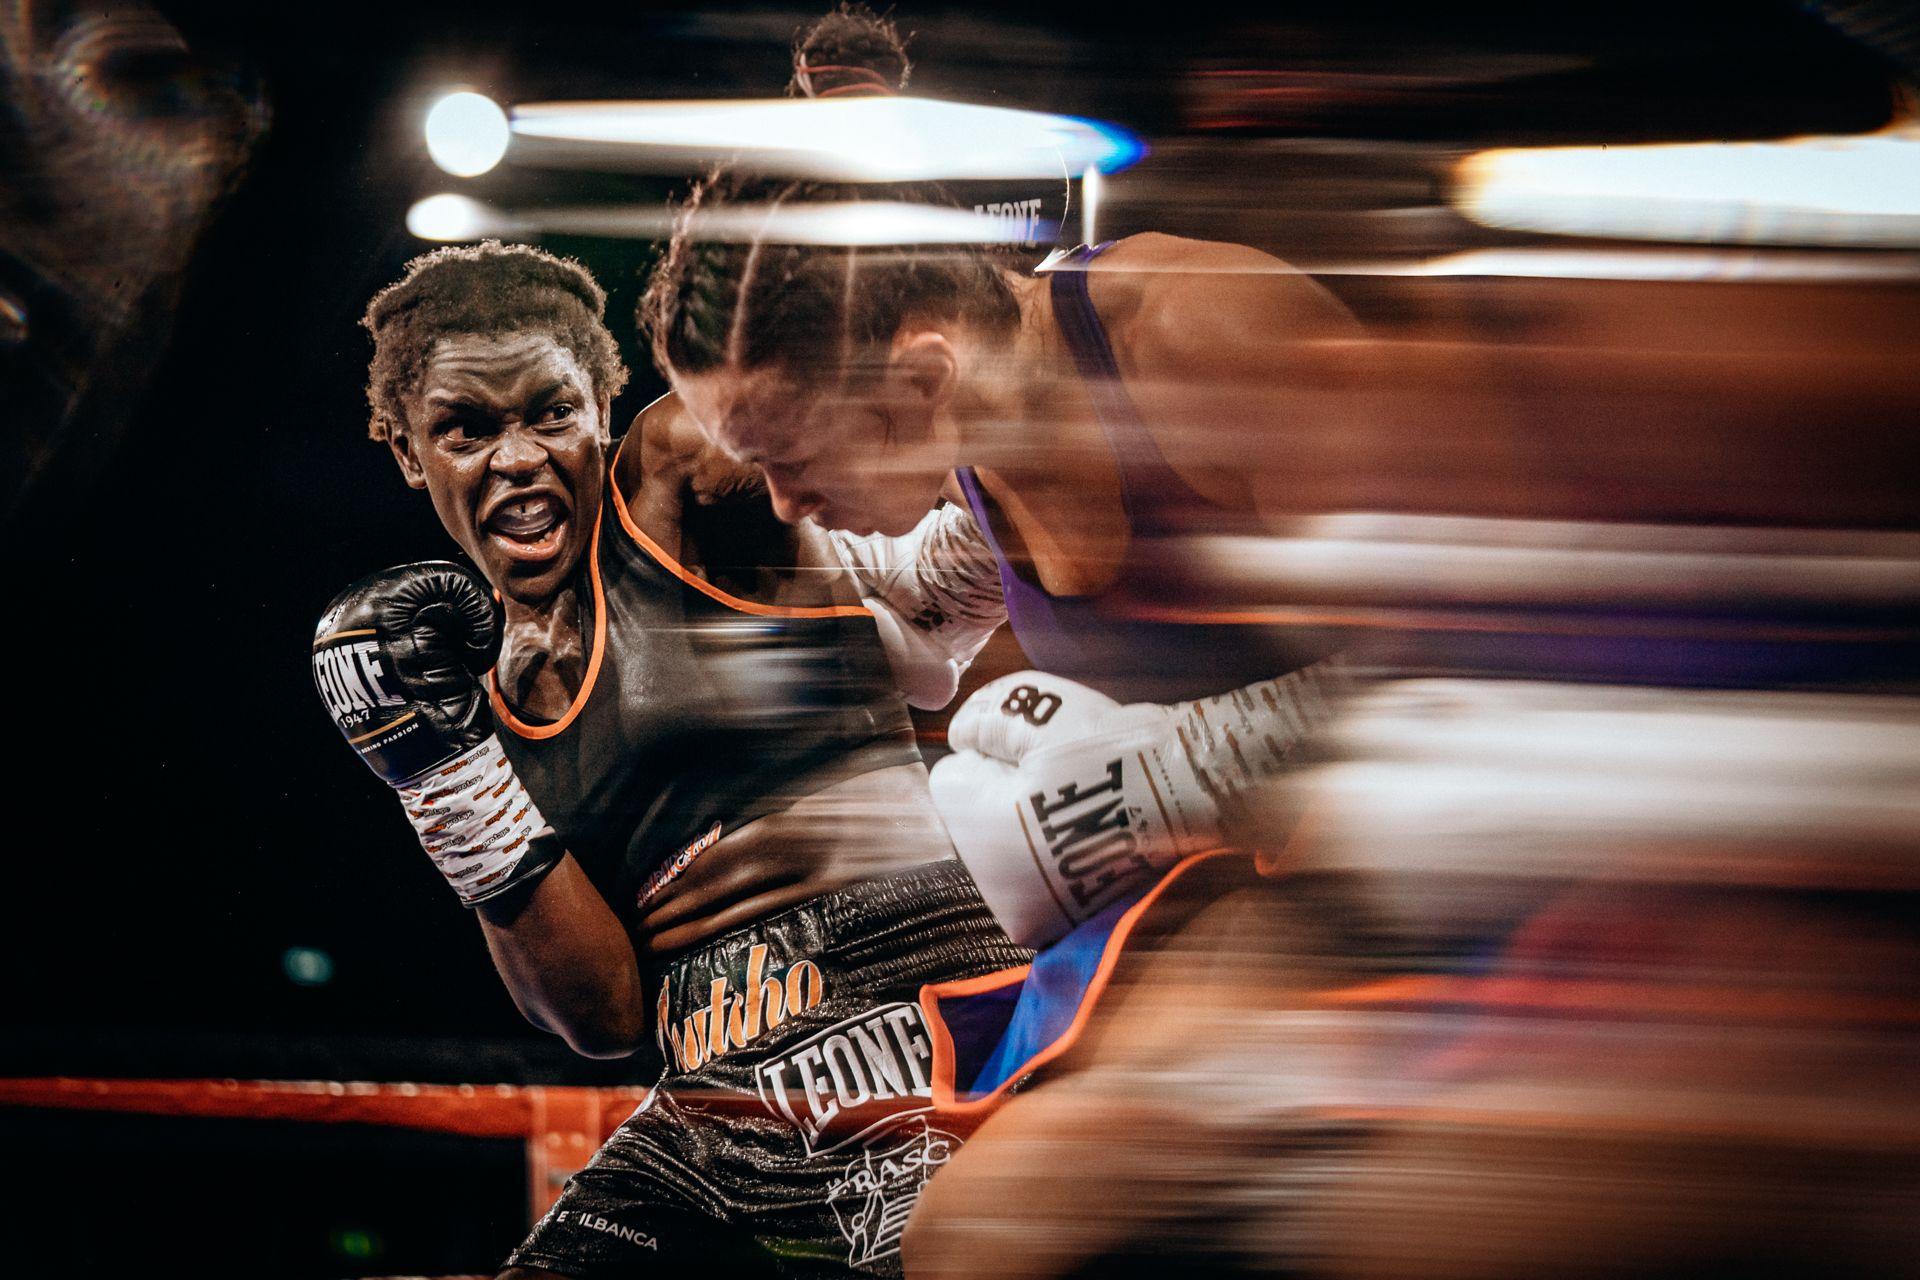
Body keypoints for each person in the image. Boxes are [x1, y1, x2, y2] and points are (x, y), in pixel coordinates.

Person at [313, 240, 1029, 1278]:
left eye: (550, 412)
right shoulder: (469, 707)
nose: (516, 458)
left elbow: (866, 413)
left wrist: (883, 246)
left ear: (604, 407)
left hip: (905, 997)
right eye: (467, 428)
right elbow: (600, 1013)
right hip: (708, 1085)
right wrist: (437, 769)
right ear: (408, 453)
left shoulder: (680, 483)